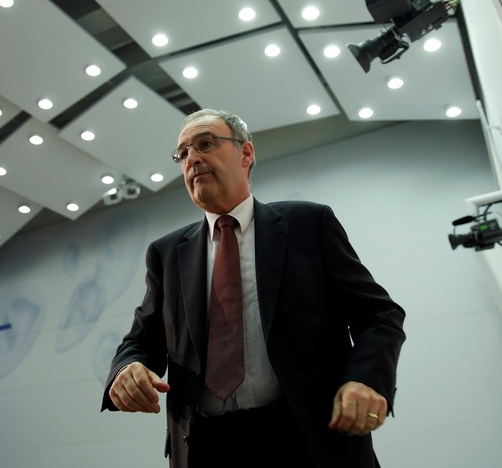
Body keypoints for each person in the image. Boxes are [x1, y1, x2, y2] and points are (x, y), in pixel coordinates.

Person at [101, 108, 406, 468]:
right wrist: (127, 368)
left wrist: (366, 378)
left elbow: (378, 315)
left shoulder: (308, 224)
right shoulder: (166, 254)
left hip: (308, 440)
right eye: (182, 153)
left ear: (245, 153)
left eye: (205, 144)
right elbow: (141, 341)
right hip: (207, 447)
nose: (191, 159)